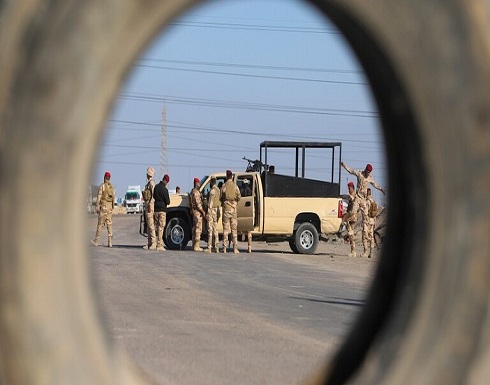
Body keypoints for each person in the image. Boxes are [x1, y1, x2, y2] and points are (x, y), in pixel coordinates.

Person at [341, 161, 385, 257]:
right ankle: (344, 218)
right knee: (352, 212)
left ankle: (366, 251)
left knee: (365, 219)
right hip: (358, 198)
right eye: (367, 171)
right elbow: (351, 171)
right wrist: (344, 166)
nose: (368, 173)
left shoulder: (369, 178)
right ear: (365, 170)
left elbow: (375, 185)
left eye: (369, 172)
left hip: (363, 201)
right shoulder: (360, 173)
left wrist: (381, 189)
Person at [91, 171, 115, 247]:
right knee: (109, 224)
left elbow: (99, 197)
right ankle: (110, 242)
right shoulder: (111, 187)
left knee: (100, 224)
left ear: (104, 178)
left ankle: (96, 241)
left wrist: (97, 206)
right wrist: (111, 208)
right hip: (110, 209)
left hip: (103, 207)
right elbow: (113, 199)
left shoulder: (102, 186)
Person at [221, 170, 241, 254]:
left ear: (226, 176)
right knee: (234, 230)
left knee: (225, 230)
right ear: (232, 176)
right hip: (233, 210)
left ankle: (224, 248)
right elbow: (239, 196)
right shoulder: (235, 186)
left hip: (226, 210)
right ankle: (235, 248)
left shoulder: (224, 186)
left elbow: (221, 197)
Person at [153, 174, 171, 251]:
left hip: (156, 209)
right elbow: (168, 201)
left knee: (156, 227)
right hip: (162, 210)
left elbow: (153, 196)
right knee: (161, 227)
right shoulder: (165, 190)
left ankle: (155, 242)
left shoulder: (156, 187)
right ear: (166, 181)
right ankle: (159, 244)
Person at [189, 177, 206, 251]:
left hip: (194, 212)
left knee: (194, 228)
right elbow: (198, 204)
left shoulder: (193, 191)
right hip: (197, 212)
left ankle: (194, 245)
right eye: (198, 183)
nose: (199, 184)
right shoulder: (196, 192)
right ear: (196, 183)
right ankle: (196, 246)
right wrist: (203, 211)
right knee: (198, 229)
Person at [204, 177, 220, 253]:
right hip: (216, 210)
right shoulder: (218, 190)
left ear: (210, 182)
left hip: (212, 210)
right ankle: (216, 247)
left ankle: (209, 247)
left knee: (210, 229)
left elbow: (210, 203)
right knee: (215, 229)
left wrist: (208, 213)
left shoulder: (212, 191)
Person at [142, 166, 156, 250]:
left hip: (150, 205)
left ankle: (153, 243)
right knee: (148, 225)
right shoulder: (148, 183)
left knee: (151, 225)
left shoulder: (151, 183)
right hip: (147, 205)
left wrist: (150, 204)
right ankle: (149, 242)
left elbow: (153, 195)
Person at [343, 181, 357, 257]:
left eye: (349, 188)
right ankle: (353, 251)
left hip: (351, 217)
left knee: (350, 233)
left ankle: (353, 251)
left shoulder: (354, 196)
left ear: (352, 188)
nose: (349, 190)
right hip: (350, 216)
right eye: (348, 188)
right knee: (350, 233)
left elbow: (354, 203)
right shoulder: (350, 195)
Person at [240, 178, 253, 253]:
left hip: (241, 210)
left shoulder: (241, 191)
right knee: (249, 230)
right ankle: (249, 247)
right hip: (249, 211)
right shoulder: (250, 191)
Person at [365, 188, 378, 258]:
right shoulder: (373, 201)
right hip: (373, 221)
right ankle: (371, 253)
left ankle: (366, 252)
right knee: (372, 236)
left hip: (368, 220)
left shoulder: (367, 201)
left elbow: (366, 212)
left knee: (366, 236)